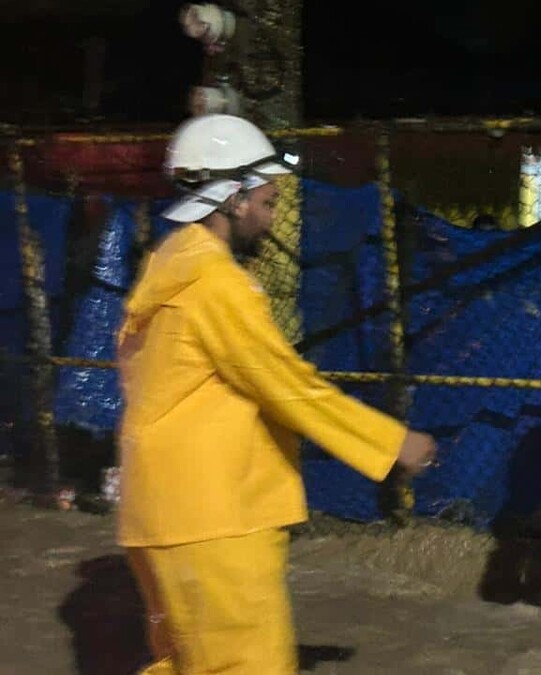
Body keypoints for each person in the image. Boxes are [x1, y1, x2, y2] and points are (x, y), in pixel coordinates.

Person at [115, 113, 438, 674]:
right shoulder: (217, 284)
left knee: (184, 661)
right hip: (215, 515)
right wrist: (390, 444)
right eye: (266, 200)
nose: (271, 214)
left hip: (161, 511)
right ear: (233, 199)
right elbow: (286, 385)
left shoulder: (168, 269)